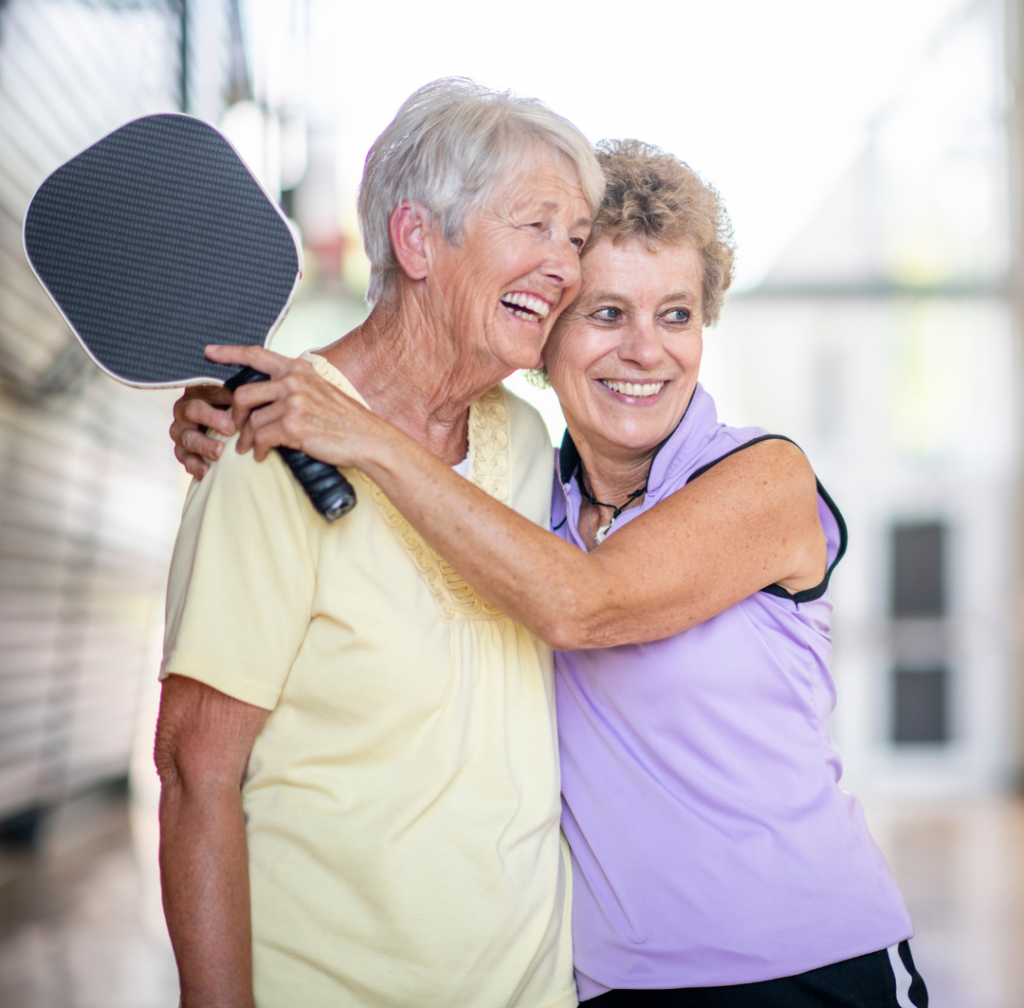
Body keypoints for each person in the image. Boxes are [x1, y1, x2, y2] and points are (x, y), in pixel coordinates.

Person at [177, 140, 926, 1008]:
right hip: (613, 988)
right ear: (545, 335)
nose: (647, 350)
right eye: (607, 313)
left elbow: (584, 604)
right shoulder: (525, 493)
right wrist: (246, 412)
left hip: (806, 972)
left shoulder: (765, 481)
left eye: (677, 315)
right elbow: (431, 429)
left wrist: (353, 426)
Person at [155, 77, 605, 1008]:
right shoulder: (263, 454)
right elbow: (196, 776)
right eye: (535, 226)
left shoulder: (521, 441)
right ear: (417, 240)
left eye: (576, 238)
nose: (566, 266)